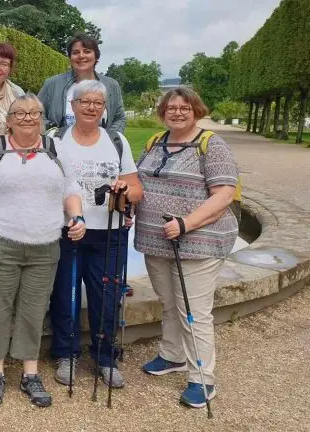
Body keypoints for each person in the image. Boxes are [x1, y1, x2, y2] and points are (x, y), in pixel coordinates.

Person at [0, 93, 85, 407]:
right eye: (20, 112)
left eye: (35, 112)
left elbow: (70, 188)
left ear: (42, 117)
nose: (28, 117)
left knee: (33, 310)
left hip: (45, 245)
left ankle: (30, 373)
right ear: (9, 119)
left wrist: (77, 216)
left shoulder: (56, 147)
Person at [135, 88, 238, 409]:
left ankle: (202, 378)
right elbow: (140, 184)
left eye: (184, 108)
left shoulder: (211, 145)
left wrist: (187, 223)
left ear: (196, 110)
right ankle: (172, 354)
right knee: (168, 302)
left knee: (193, 311)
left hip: (197, 243)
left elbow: (223, 195)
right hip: (157, 242)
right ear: (162, 111)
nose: (177, 112)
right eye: (170, 107)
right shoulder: (155, 142)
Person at [47, 80, 143, 390]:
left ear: (103, 109)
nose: (91, 107)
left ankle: (105, 357)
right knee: (65, 294)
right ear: (72, 106)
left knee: (107, 297)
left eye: (97, 103)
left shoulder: (116, 141)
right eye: (84, 102)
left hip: (108, 232)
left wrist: (126, 191)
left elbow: (136, 188)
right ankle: (66, 354)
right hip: (66, 230)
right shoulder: (55, 138)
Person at [38, 33, 126, 134]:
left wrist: (109, 138)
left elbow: (119, 118)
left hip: (101, 147)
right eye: (75, 52)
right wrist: (53, 132)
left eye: (87, 51)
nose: (81, 56)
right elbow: (35, 112)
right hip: (59, 147)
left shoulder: (111, 85)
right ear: (70, 57)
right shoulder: (52, 84)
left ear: (96, 56)